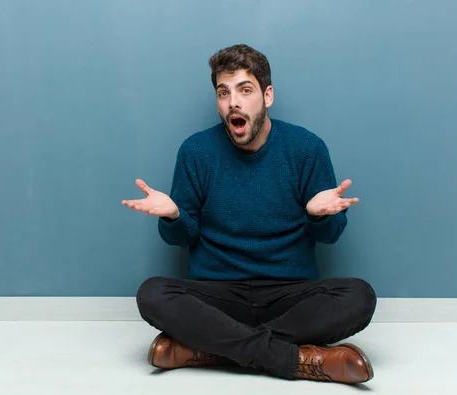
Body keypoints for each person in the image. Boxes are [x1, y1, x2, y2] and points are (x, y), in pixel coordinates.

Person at [121, 44, 377, 384]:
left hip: (289, 295)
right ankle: (295, 359)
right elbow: (182, 238)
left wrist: (318, 216)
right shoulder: (196, 151)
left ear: (267, 96)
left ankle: (208, 349)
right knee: (152, 294)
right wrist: (173, 218)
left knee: (359, 297)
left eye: (245, 90)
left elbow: (330, 235)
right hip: (217, 294)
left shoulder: (306, 148)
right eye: (223, 93)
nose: (234, 103)